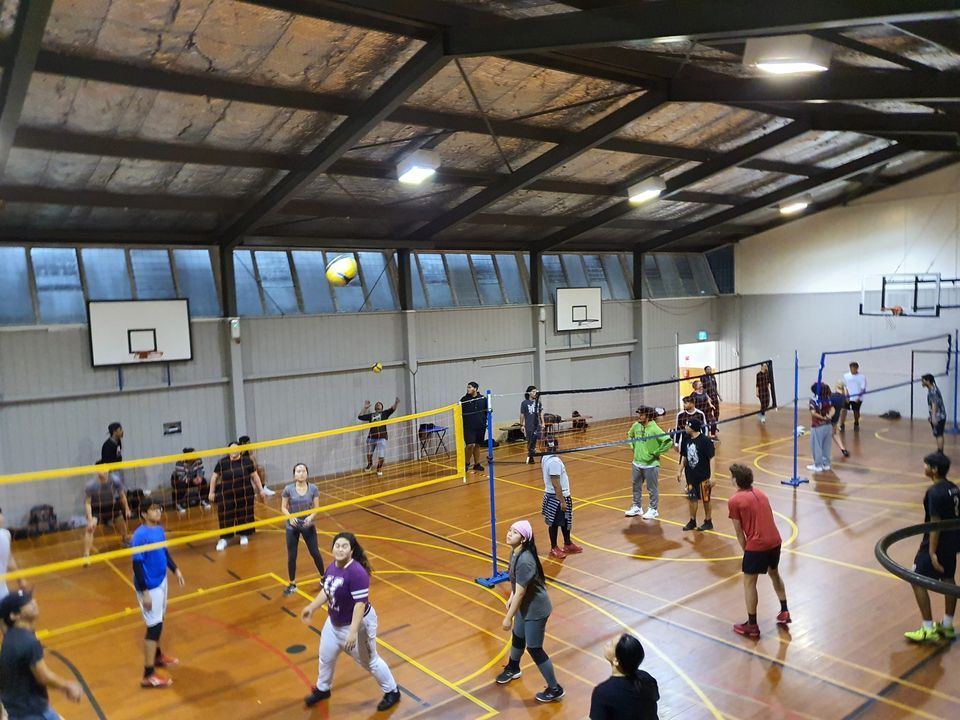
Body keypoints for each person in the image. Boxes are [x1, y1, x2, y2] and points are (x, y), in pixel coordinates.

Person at [301, 532, 400, 712]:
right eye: (337, 545)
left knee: (370, 661)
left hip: (358, 624)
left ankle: (392, 691)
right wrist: (312, 607)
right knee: (326, 657)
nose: (340, 549)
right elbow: (327, 591)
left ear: (351, 550)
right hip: (334, 623)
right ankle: (323, 689)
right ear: (332, 548)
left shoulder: (356, 573)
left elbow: (359, 605)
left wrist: (353, 631)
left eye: (344, 546)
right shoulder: (332, 567)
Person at [495, 520, 564, 703]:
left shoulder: (525, 560)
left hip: (536, 610)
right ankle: (513, 667)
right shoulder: (514, 552)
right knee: (518, 637)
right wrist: (510, 599)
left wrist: (507, 618)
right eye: (510, 530)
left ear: (524, 539)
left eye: (515, 532)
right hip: (524, 607)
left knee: (534, 648)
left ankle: (555, 688)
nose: (509, 534)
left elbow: (521, 593)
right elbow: (516, 585)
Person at [727, 464, 790, 638]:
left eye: (731, 476)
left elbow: (739, 531)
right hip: (775, 541)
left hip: (757, 545)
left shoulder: (735, 501)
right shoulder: (761, 493)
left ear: (736, 480)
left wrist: (747, 551)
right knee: (774, 573)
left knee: (749, 583)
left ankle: (752, 625)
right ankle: (784, 610)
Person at [903, 452, 959, 642]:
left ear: (934, 470)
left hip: (936, 542)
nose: (924, 468)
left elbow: (935, 523)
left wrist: (932, 552)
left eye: (926, 465)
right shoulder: (953, 488)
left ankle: (927, 628)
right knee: (948, 578)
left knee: (916, 578)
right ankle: (948, 625)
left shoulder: (934, 492)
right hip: (952, 541)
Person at [0, 590, 82, 719]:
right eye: (25, 603)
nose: (33, 603)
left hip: (20, 708)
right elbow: (43, 676)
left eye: (31, 599)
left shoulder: (11, 636)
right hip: (30, 712)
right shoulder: (28, 642)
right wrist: (68, 686)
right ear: (14, 616)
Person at [132, 497, 185, 688]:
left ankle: (157, 656)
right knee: (153, 627)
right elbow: (137, 565)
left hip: (161, 581)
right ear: (144, 514)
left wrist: (175, 569)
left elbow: (164, 553)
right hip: (149, 586)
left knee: (159, 621)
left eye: (159, 509)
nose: (158, 512)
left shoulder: (159, 530)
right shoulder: (139, 536)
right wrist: (145, 591)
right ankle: (148, 675)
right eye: (154, 510)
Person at [208, 442, 267, 552]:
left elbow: (255, 476)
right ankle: (224, 538)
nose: (234, 451)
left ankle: (243, 534)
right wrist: (211, 492)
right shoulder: (222, 462)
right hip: (226, 494)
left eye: (236, 449)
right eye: (231, 449)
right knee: (226, 515)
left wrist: (261, 490)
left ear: (240, 450)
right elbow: (214, 477)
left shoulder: (246, 461)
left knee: (244, 513)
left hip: (244, 493)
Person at [589, 633, 659, 720]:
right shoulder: (648, 679)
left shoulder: (603, 692)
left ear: (616, 661)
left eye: (610, 645)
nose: (607, 643)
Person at [281, 463, 324, 597]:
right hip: (292, 526)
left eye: (303, 471)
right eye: (298, 471)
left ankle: (324, 578)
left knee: (315, 553)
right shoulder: (288, 489)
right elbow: (283, 507)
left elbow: (316, 508)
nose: (301, 473)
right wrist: (290, 516)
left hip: (307, 524)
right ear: (294, 474)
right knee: (292, 556)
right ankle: (292, 583)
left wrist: (311, 517)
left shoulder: (313, 488)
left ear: (307, 473)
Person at [625, 406, 673, 520]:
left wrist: (657, 452)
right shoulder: (636, 426)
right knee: (636, 486)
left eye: (641, 414)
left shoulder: (654, 429)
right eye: (639, 414)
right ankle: (637, 507)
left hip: (651, 465)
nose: (639, 416)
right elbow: (629, 435)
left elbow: (668, 441)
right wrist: (632, 446)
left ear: (648, 416)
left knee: (652, 488)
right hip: (637, 463)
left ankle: (653, 509)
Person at [540, 436, 582, 560]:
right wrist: (562, 501)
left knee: (565, 520)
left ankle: (568, 544)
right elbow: (555, 483)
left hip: (557, 495)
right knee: (554, 523)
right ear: (557, 447)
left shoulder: (545, 457)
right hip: (557, 497)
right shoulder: (554, 462)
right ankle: (554, 548)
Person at [83, 461, 132, 560]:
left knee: (120, 520)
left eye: (106, 468)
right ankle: (86, 554)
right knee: (90, 528)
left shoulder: (115, 480)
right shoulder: (91, 485)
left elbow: (122, 496)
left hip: (111, 506)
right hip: (97, 507)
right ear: (97, 471)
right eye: (101, 469)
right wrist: (89, 518)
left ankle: (125, 539)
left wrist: (127, 509)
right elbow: (87, 502)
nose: (104, 471)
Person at [677, 418, 715, 532]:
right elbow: (684, 456)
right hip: (691, 477)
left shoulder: (705, 441)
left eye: (687, 426)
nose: (685, 427)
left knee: (706, 499)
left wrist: (713, 476)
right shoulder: (686, 439)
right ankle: (692, 521)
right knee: (692, 499)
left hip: (704, 476)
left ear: (692, 427)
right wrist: (679, 470)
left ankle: (708, 521)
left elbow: (712, 458)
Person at [358, 398, 399, 476]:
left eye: (379, 404)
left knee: (381, 454)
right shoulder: (371, 415)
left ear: (382, 408)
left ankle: (379, 468)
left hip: (381, 437)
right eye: (376, 404)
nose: (377, 404)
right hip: (371, 437)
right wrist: (365, 408)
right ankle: (369, 464)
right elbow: (360, 417)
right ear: (375, 408)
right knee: (369, 454)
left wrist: (396, 403)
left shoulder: (385, 413)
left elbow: (392, 409)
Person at [171, 449, 210, 513]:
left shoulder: (198, 460)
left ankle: (203, 500)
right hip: (178, 479)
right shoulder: (179, 462)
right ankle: (178, 504)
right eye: (193, 454)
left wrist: (199, 477)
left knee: (203, 481)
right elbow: (181, 476)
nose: (195, 455)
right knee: (181, 485)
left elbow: (200, 470)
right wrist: (192, 480)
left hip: (193, 477)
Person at [460, 382, 488, 473]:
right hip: (468, 427)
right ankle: (466, 463)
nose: (467, 389)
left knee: (477, 445)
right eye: (467, 387)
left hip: (480, 426)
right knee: (470, 445)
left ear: (475, 389)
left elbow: (487, 411)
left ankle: (477, 464)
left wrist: (485, 422)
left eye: (470, 387)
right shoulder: (464, 400)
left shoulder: (483, 399)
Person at [806, 382, 833, 473]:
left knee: (816, 446)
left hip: (817, 426)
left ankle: (818, 465)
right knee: (826, 446)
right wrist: (829, 416)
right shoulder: (828, 399)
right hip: (828, 426)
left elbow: (813, 413)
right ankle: (826, 464)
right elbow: (833, 409)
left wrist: (823, 418)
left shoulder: (813, 400)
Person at [0, 506, 25, 601]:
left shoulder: (5, 535)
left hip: (2, 592)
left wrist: (20, 580)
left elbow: (10, 560)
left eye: (1, 513)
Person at [921, 374, 947, 453]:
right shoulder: (933, 389)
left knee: (939, 434)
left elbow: (934, 403)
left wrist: (933, 417)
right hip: (940, 415)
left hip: (939, 416)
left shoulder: (933, 391)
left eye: (923, 380)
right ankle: (939, 450)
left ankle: (940, 452)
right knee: (938, 434)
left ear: (928, 381)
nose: (922, 382)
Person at [520, 385, 544, 465]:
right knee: (530, 442)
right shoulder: (524, 403)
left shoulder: (538, 402)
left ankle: (542, 456)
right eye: (534, 391)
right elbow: (522, 415)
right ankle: (531, 456)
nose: (535, 393)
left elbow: (541, 413)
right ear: (529, 393)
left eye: (536, 391)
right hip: (529, 426)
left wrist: (543, 423)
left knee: (540, 440)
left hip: (537, 426)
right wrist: (522, 425)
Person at [840, 362, 866, 432]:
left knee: (856, 411)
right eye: (851, 369)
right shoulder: (846, 376)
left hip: (857, 398)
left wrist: (858, 397)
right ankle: (842, 425)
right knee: (843, 410)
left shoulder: (862, 377)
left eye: (854, 369)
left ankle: (856, 423)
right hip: (847, 396)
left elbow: (863, 388)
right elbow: (844, 386)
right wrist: (845, 396)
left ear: (857, 368)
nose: (852, 370)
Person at [829, 381, 850, 458]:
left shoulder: (832, 396)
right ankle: (843, 449)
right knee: (835, 434)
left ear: (836, 386)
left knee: (826, 435)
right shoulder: (843, 397)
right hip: (836, 417)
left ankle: (824, 454)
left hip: (829, 417)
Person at [702, 366, 722, 440]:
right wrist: (707, 397)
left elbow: (715, 387)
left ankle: (714, 426)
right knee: (708, 413)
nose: (709, 370)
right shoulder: (703, 377)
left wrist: (719, 396)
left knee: (717, 412)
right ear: (705, 370)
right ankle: (708, 427)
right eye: (708, 369)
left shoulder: (713, 376)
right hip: (708, 398)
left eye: (710, 369)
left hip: (714, 397)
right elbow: (703, 389)